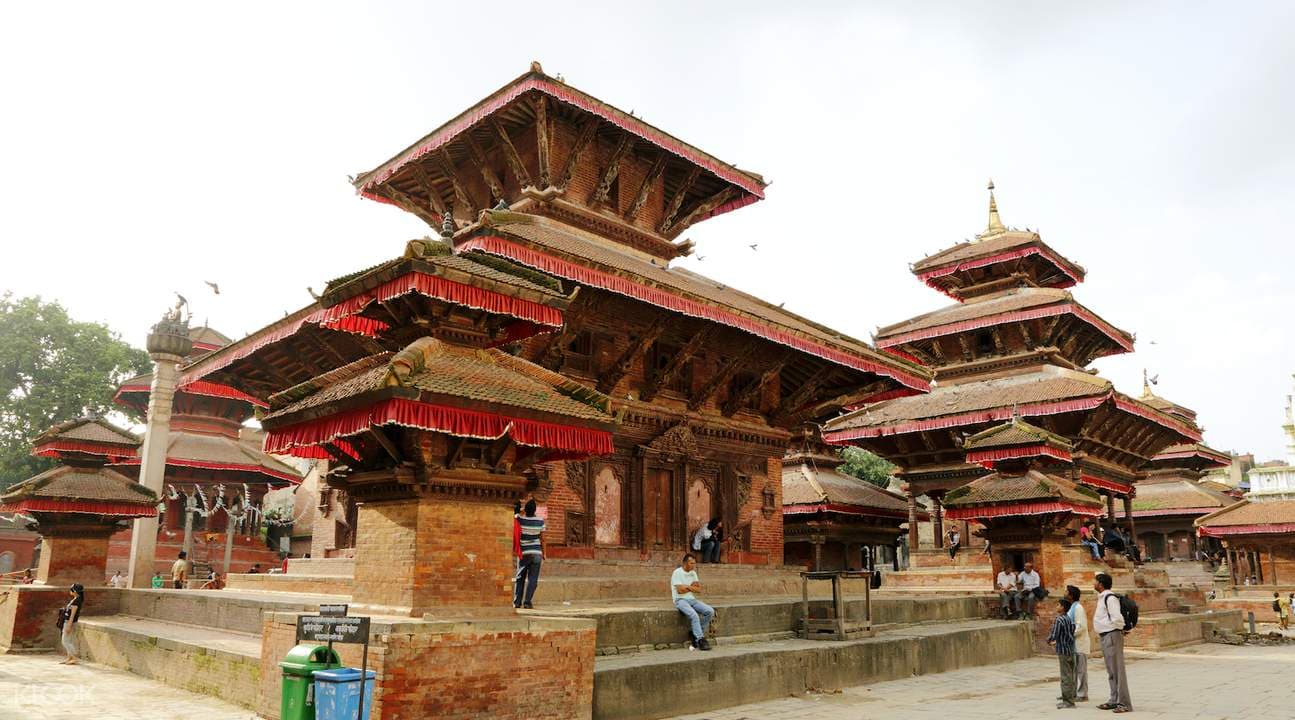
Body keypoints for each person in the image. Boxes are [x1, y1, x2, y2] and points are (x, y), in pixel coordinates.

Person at [1093, 572, 1133, 713]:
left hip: (1112, 635)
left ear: (1101, 584)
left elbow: (1117, 617)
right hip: (1106, 636)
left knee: (1118, 670)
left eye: (1095, 581)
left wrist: (1121, 628)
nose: (1093, 583)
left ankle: (1124, 703)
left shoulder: (1110, 598)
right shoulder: (1102, 597)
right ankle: (1114, 700)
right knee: (1111, 671)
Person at [671, 553, 714, 651]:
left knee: (710, 611)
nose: (693, 565)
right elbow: (679, 591)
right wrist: (692, 587)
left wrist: (687, 587)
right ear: (685, 563)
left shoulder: (693, 573)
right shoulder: (677, 572)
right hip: (680, 600)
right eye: (691, 563)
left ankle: (695, 633)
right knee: (694, 615)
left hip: (692, 599)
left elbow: (698, 589)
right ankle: (700, 639)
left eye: (694, 563)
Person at [1047, 597, 1078, 708]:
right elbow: (1073, 630)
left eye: (1058, 605)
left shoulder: (1059, 620)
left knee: (1065, 676)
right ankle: (1071, 697)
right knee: (1070, 675)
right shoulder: (1069, 619)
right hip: (1070, 649)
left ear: (1063, 608)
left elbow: (1054, 634)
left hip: (1063, 651)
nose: (1057, 607)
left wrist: (1049, 640)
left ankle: (1068, 701)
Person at [514, 499, 545, 609]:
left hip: (524, 553)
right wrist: (544, 554)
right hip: (537, 553)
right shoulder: (540, 521)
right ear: (535, 510)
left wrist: (523, 510)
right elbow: (542, 539)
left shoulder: (519, 519)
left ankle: (517, 602)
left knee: (520, 577)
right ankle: (527, 602)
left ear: (526, 510)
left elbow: (516, 513)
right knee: (533, 579)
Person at [1066, 585, 1090, 702]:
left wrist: (1069, 634)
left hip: (1080, 644)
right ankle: (1074, 692)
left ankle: (1083, 694)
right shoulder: (1072, 607)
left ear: (1071, 595)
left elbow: (1081, 626)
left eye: (1066, 592)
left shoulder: (1078, 608)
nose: (1064, 593)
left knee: (1081, 670)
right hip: (1074, 645)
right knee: (1075, 670)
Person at [58, 584, 84, 665]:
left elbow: (73, 614)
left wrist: (69, 625)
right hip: (69, 621)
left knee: (65, 641)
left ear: (75, 591)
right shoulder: (76, 599)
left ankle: (75, 657)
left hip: (69, 622)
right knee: (69, 640)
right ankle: (69, 658)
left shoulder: (77, 601)